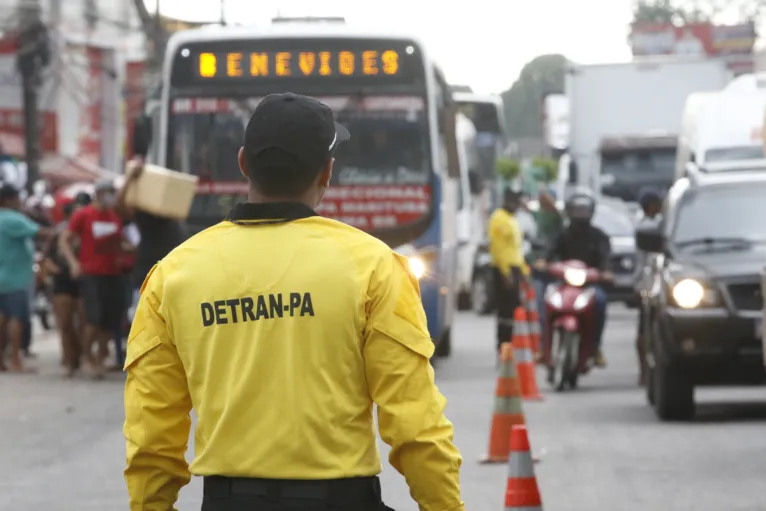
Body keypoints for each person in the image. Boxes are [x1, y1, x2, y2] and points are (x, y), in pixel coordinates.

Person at [123, 93, 464, 511]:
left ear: (244, 163)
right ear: (327, 171)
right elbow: (415, 423)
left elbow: (151, 432)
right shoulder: (373, 266)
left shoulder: (172, 274)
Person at [60, 179, 129, 379]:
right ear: (99, 193)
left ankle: (100, 358)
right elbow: (66, 239)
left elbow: (121, 241)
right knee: (93, 319)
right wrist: (74, 263)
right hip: (92, 274)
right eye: (109, 192)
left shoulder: (114, 216)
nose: (112, 197)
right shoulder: (84, 215)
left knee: (111, 320)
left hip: (114, 273)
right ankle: (87, 357)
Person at [535, 192, 613, 367]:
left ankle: (595, 347)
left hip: (589, 285)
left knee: (600, 302)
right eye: (577, 210)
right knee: (544, 303)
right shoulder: (562, 234)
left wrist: (606, 272)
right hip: (562, 284)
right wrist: (544, 261)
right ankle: (543, 346)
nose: (581, 214)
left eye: (584, 210)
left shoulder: (599, 237)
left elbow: (606, 259)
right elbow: (549, 251)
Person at [114, 159, 184, 320]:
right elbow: (119, 206)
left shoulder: (172, 215)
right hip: (149, 274)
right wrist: (130, 177)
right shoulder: (146, 215)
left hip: (171, 276)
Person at [0, 184, 50, 372]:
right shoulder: (14, 219)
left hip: (2, 276)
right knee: (16, 320)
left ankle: (2, 361)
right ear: (8, 199)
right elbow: (41, 232)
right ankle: (15, 361)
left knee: (2, 319)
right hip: (16, 278)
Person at [44, 199, 88, 376]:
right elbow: (46, 256)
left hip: (84, 279)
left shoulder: (88, 230)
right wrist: (53, 270)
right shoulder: (59, 231)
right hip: (62, 280)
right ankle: (69, 360)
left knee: (84, 322)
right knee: (65, 322)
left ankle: (81, 355)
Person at [488, 188, 525, 355]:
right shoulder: (499, 219)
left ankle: (510, 344)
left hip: (514, 269)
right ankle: (503, 346)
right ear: (506, 200)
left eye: (517, 201)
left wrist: (524, 271)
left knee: (513, 310)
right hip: (504, 271)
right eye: (513, 200)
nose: (516, 204)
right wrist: (505, 274)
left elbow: (515, 249)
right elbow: (499, 249)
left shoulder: (512, 219)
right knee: (505, 311)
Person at [634, 188, 664, 386]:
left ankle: (647, 370)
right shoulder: (650, 226)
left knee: (646, 329)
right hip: (648, 283)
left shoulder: (653, 224)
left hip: (646, 283)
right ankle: (646, 370)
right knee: (646, 329)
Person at [529, 185, 563, 345]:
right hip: (538, 271)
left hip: (555, 271)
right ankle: (544, 344)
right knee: (540, 311)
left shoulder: (558, 217)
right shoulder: (538, 216)